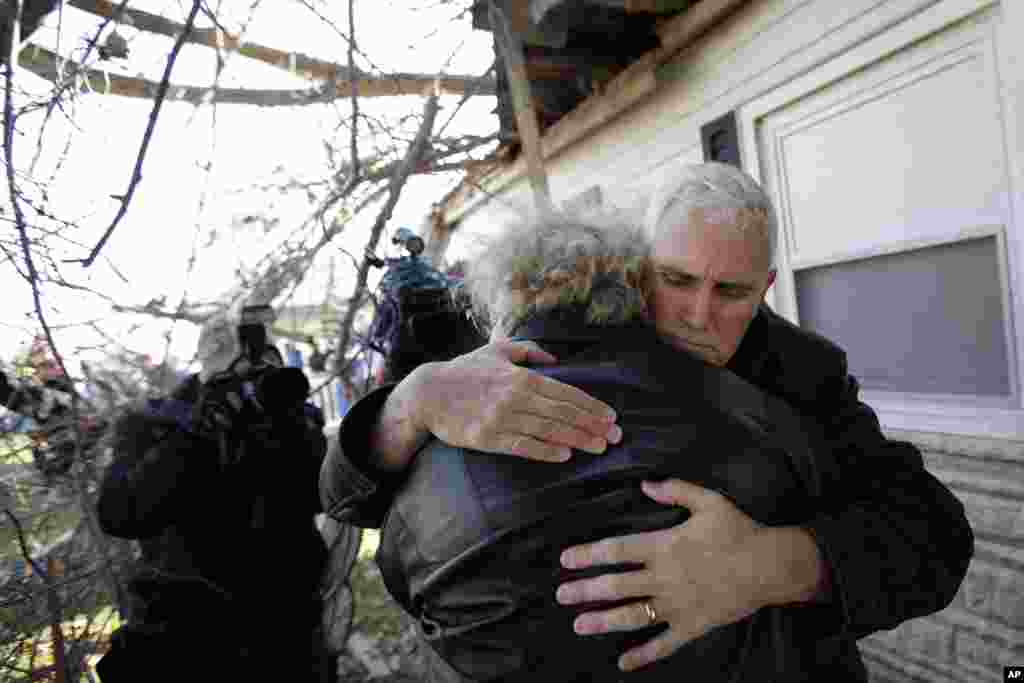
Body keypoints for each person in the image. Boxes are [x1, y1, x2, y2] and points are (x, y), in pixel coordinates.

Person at [320, 163, 973, 680]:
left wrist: (769, 564)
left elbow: (933, 535)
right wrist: (414, 400)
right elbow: (341, 494)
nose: (697, 314)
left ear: (767, 285)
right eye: (677, 279)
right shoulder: (539, 339)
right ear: (638, 266)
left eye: (731, 291)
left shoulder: (802, 373)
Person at [370, 214, 845, 681]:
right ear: (638, 295)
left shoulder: (424, 472)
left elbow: (401, 576)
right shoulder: (757, 422)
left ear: (503, 308)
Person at [96, 309, 336, 682]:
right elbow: (118, 514)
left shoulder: (286, 419)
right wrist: (198, 435)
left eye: (259, 379)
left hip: (286, 638)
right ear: (209, 378)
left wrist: (290, 429)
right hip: (181, 640)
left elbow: (325, 497)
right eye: (236, 380)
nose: (250, 390)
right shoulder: (152, 423)